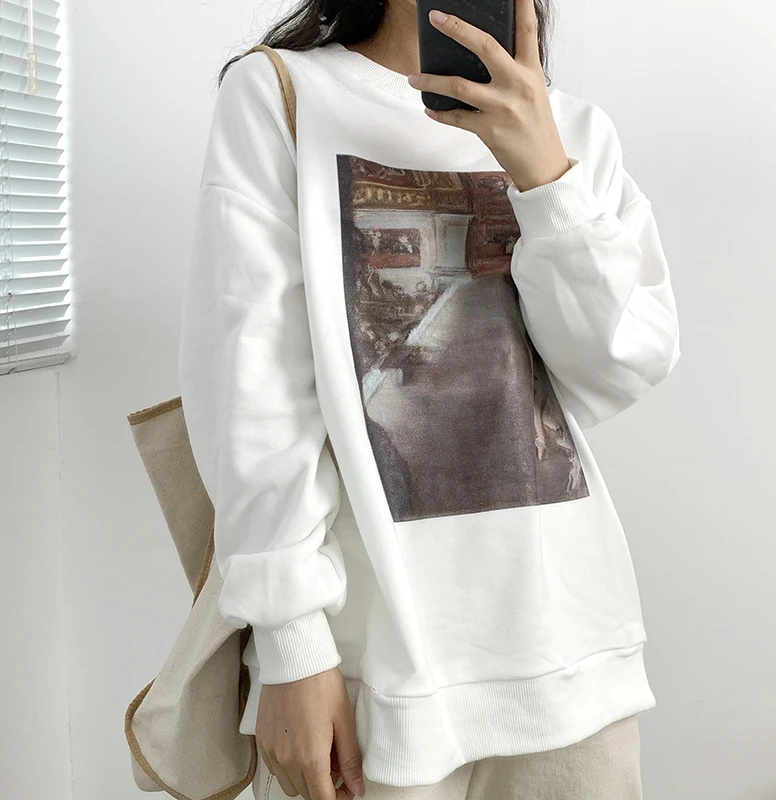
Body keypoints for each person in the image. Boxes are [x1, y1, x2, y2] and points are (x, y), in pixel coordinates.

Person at [177, 1, 681, 799]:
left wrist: (546, 177)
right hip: (370, 670)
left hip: (573, 660)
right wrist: (291, 646)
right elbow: (250, 385)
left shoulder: (574, 131)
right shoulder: (283, 95)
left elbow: (621, 362)